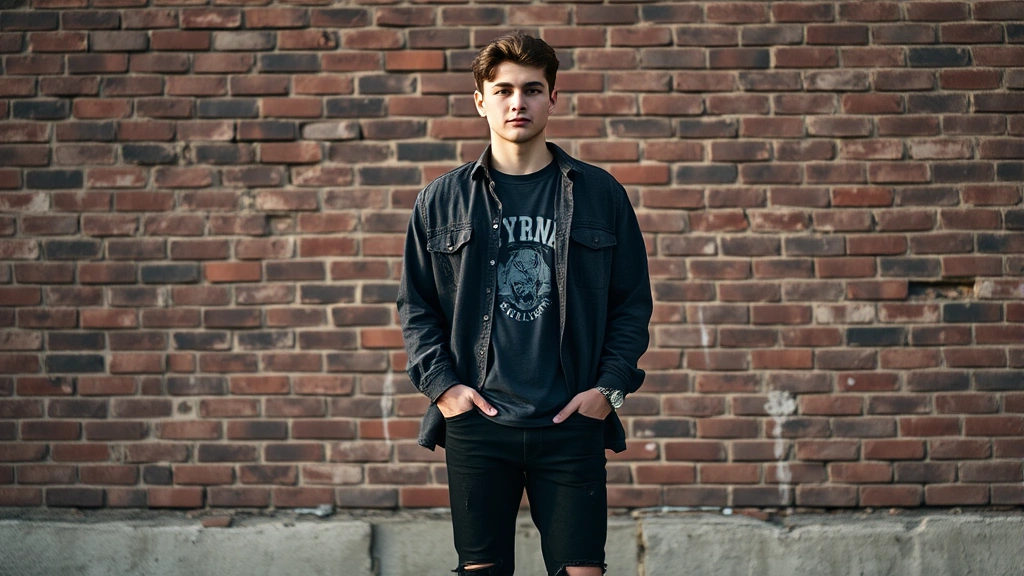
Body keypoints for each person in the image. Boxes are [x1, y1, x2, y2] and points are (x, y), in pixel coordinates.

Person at [397, 31, 652, 576]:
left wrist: (607, 391)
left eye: (533, 89)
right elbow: (417, 307)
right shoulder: (442, 200)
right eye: (504, 89)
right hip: (479, 422)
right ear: (481, 100)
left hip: (571, 421)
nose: (518, 102)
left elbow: (631, 305)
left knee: (582, 570)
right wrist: (443, 389)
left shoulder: (600, 194)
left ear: (553, 98)